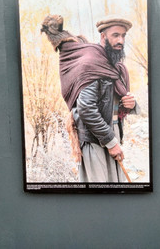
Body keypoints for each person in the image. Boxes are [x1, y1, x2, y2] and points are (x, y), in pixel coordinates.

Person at [56, 16, 138, 182]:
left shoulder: (116, 66)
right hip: (95, 139)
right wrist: (111, 142)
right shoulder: (92, 64)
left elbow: (113, 105)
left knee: (116, 190)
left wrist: (131, 104)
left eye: (123, 36)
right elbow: (86, 108)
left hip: (110, 134)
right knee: (98, 192)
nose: (120, 40)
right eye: (115, 35)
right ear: (103, 37)